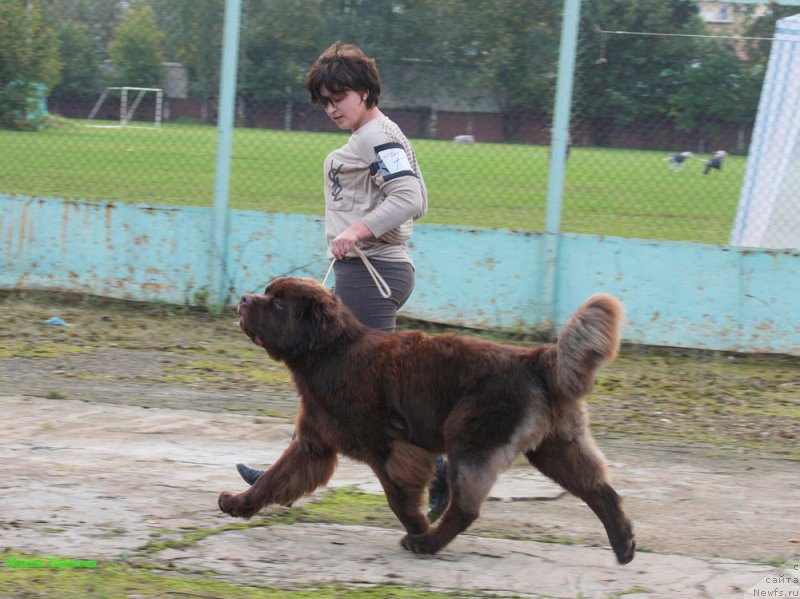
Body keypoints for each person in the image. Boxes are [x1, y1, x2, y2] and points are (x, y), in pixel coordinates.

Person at [235, 41, 449, 522]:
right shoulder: (376, 133)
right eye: (325, 101)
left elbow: (411, 196)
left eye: (340, 97)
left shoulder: (377, 136)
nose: (332, 108)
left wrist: (356, 229)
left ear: (366, 91)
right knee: (336, 384)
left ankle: (442, 471)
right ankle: (283, 474)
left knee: (360, 393)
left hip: (373, 271)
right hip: (367, 271)